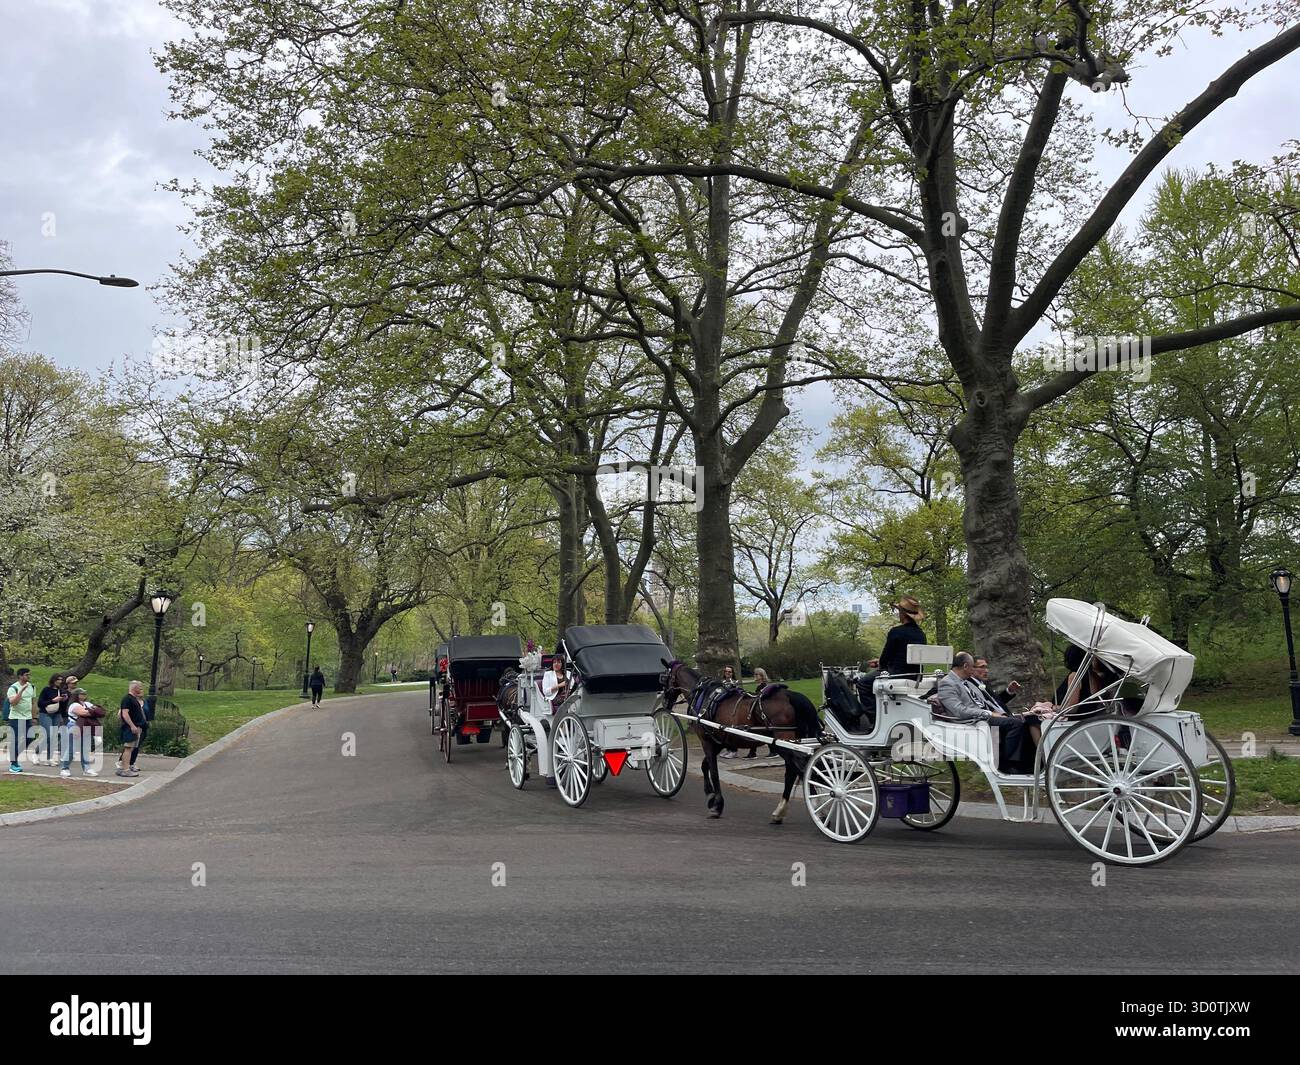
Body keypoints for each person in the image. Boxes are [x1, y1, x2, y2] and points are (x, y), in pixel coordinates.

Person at [936, 652, 1040, 773]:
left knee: (1024, 722)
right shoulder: (947, 683)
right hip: (971, 721)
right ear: (965, 666)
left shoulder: (965, 682)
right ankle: (1008, 766)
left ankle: (1030, 764)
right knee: (1014, 724)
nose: (973, 671)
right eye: (972, 667)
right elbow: (959, 711)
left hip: (981, 716)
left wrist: (996, 712)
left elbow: (984, 701)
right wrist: (989, 713)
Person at [869, 596, 928, 677]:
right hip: (915, 676)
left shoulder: (896, 631)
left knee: (863, 683)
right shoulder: (921, 634)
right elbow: (903, 656)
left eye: (899, 612)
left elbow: (885, 659)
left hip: (895, 675)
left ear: (903, 614)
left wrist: (880, 664)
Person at [61, 688, 100, 777]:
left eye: (84, 693)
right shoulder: (73, 705)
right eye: (82, 693)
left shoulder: (87, 703)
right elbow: (84, 713)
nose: (84, 695)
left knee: (85, 749)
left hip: (85, 727)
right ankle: (65, 768)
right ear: (77, 695)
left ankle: (86, 768)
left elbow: (99, 711)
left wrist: (92, 711)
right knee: (72, 748)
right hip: (74, 726)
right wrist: (92, 711)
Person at [5, 668, 37, 773]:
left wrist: (34, 717)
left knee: (31, 737)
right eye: (26, 675)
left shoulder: (32, 687)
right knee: (16, 740)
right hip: (15, 717)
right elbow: (13, 702)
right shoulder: (13, 688)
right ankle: (13, 764)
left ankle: (15, 755)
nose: (29, 677)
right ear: (20, 676)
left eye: (29, 675)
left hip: (27, 717)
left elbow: (33, 703)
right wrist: (21, 691)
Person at [117, 681, 147, 777]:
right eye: (140, 687)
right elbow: (124, 714)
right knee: (128, 748)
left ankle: (123, 767)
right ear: (135, 688)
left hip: (137, 726)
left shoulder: (134, 699)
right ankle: (125, 769)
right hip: (130, 728)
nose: (141, 689)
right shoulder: (127, 699)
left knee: (132, 747)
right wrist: (132, 725)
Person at [37, 673, 66, 767]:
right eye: (58, 679)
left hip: (56, 714)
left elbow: (61, 706)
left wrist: (63, 700)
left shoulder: (60, 691)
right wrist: (53, 700)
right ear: (53, 680)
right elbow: (40, 703)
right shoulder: (46, 690)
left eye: (61, 680)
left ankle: (50, 758)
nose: (60, 681)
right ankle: (37, 752)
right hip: (45, 713)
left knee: (53, 737)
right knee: (48, 735)